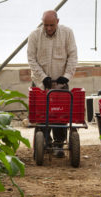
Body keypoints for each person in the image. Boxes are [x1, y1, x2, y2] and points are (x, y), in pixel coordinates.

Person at [27, 10, 77, 158]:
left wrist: (66, 76)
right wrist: (43, 77)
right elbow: (31, 59)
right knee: (41, 116)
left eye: (51, 25)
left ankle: (59, 144)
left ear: (57, 22)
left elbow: (73, 56)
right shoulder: (34, 36)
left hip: (60, 84)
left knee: (60, 116)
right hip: (41, 84)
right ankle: (43, 143)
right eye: (46, 25)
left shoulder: (67, 33)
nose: (48, 28)